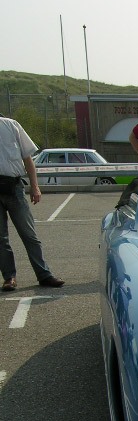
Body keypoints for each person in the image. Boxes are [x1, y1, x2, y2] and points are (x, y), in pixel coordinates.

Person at [0, 116, 64, 291]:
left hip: (13, 187)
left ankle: (44, 275)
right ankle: (9, 278)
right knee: (1, 239)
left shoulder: (11, 125)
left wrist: (35, 187)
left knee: (29, 235)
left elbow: (28, 158)